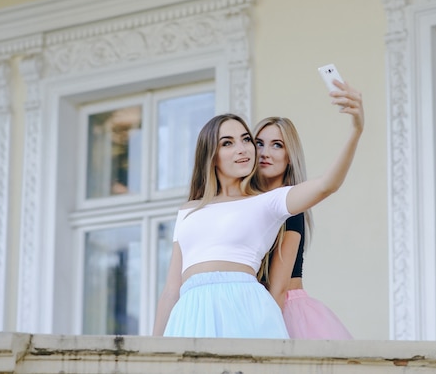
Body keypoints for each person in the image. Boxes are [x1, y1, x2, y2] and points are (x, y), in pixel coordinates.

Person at [152, 78, 364, 338]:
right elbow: (171, 290)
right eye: (227, 143)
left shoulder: (267, 202)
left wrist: (356, 129)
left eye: (245, 140)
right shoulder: (188, 211)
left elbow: (326, 185)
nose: (243, 149)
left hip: (247, 309)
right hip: (190, 312)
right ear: (211, 155)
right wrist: (151, 349)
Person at [255, 117, 354, 339]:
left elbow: (278, 289)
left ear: (290, 157)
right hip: (260, 305)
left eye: (277, 145)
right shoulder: (251, 206)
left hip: (286, 309)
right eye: (259, 143)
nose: (265, 153)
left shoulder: (291, 208)